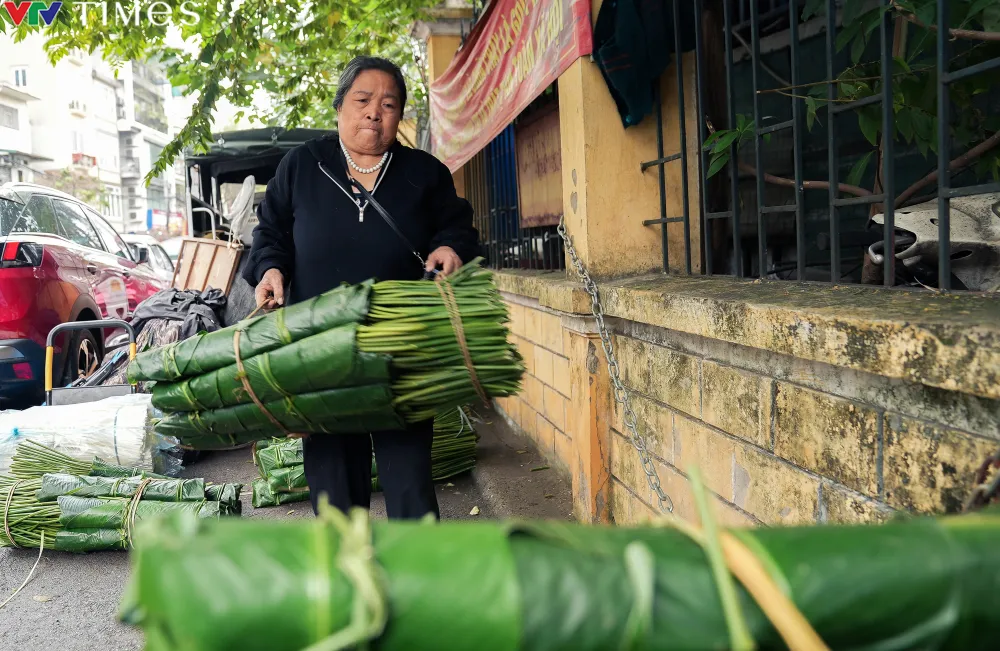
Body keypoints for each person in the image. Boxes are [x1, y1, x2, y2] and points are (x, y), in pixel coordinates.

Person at [244, 56, 479, 520]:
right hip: (321, 349)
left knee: (408, 473)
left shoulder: (424, 173)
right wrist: (271, 270)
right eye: (363, 100)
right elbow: (269, 233)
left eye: (389, 104)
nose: (375, 112)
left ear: (399, 116)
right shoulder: (303, 166)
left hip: (401, 348)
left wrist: (450, 248)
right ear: (339, 108)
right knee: (333, 478)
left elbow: (458, 228)